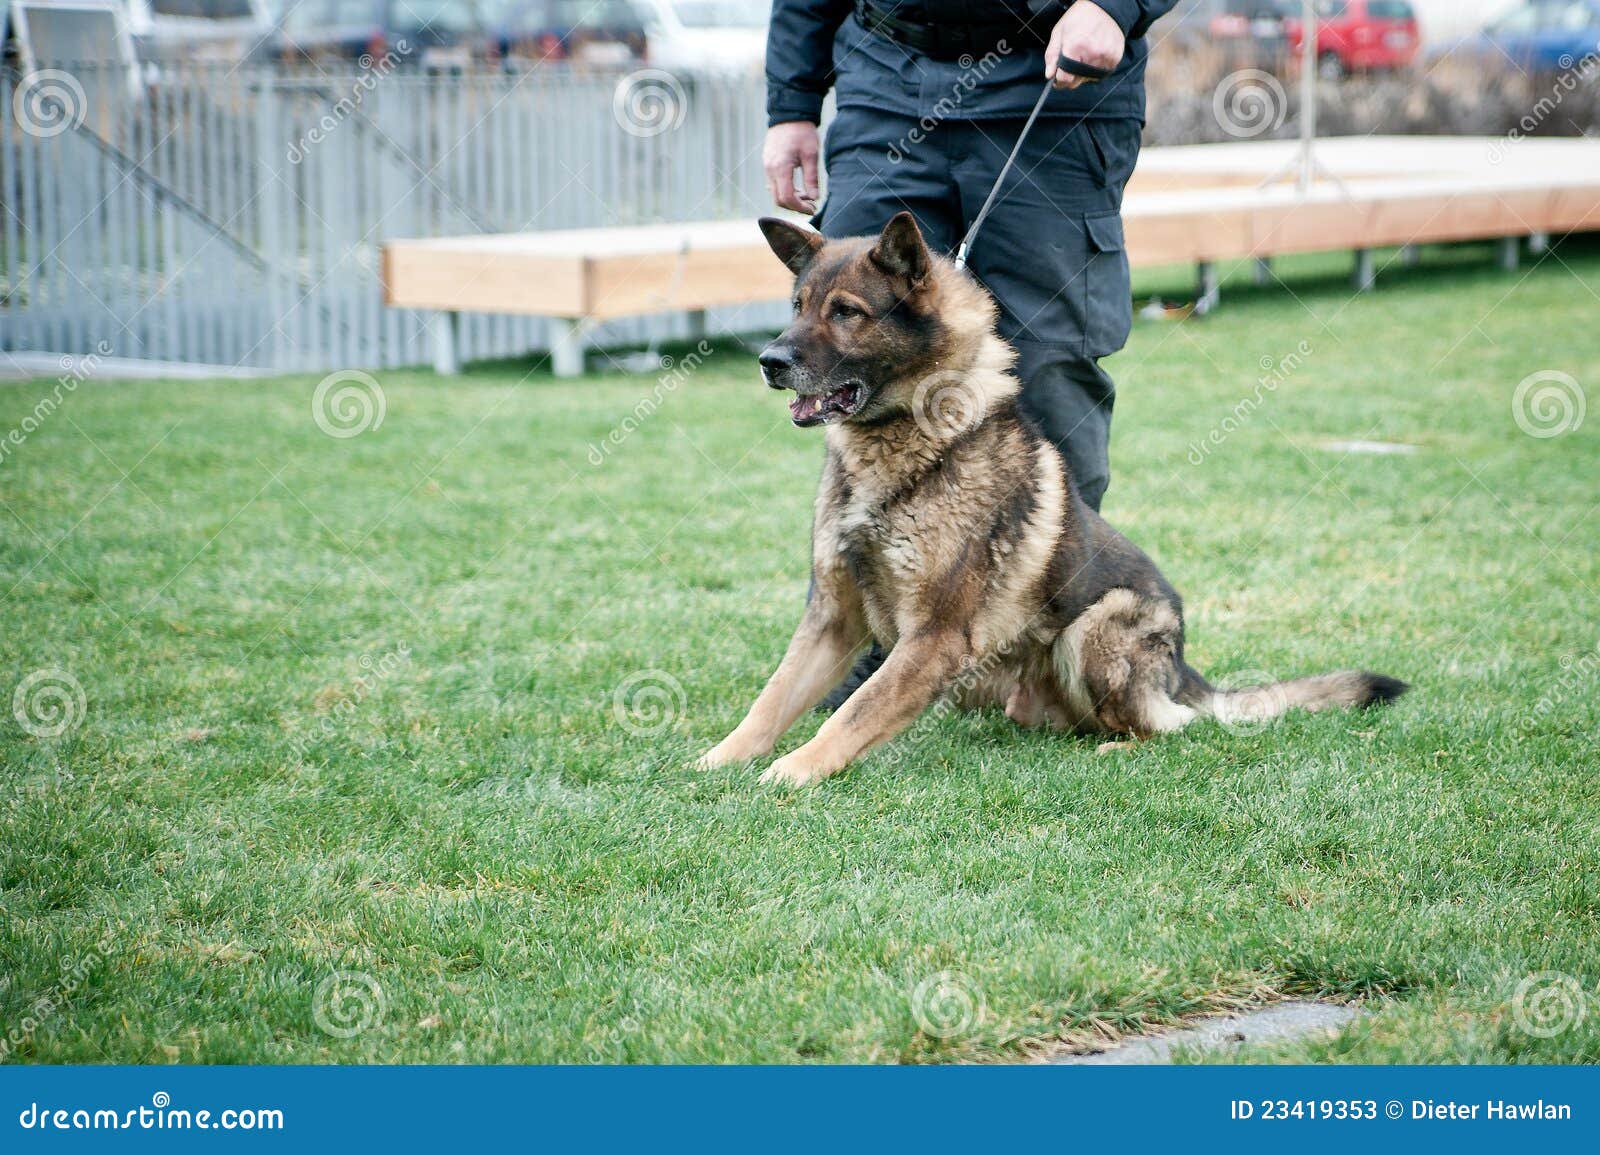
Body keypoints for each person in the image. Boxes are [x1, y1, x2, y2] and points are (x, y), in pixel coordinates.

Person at [763, 0, 1178, 707]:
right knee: (852, 360)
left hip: (1049, 81)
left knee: (1050, 364)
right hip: (888, 76)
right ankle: (874, 634)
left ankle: (1038, 642)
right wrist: (791, 105)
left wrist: (1115, 7)